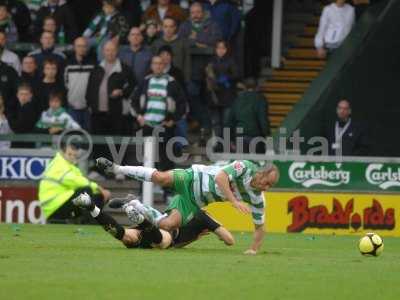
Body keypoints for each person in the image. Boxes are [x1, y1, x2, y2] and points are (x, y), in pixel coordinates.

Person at [97, 158, 280, 254]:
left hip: (195, 201)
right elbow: (220, 177)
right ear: (262, 174)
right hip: (194, 177)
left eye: (270, 186)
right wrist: (234, 202)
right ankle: (117, 168)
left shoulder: (257, 197)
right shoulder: (245, 166)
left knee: (167, 226)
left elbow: (260, 226)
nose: (267, 187)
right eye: (267, 183)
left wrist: (254, 249)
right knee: (162, 178)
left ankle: (133, 202)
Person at [72, 192, 234, 249]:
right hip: (167, 234)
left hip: (156, 227)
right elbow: (230, 240)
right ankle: (141, 217)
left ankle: (91, 206)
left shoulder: (182, 203)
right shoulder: (204, 216)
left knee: (125, 237)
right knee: (163, 242)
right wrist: (216, 230)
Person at [130, 55, 186, 170]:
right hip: (147, 126)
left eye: (160, 63)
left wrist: (173, 120)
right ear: (151, 66)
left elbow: (182, 104)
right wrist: (139, 116)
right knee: (146, 160)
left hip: (164, 126)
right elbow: (133, 101)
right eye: (155, 63)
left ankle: (165, 188)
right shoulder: (145, 81)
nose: (158, 66)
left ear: (164, 65)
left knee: (166, 160)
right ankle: (145, 188)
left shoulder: (172, 82)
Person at [178, 2, 222, 139]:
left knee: (211, 101)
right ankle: (205, 125)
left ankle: (211, 131)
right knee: (193, 98)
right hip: (191, 70)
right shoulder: (184, 26)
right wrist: (201, 43)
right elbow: (182, 43)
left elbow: (215, 43)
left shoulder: (213, 25)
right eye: (192, 13)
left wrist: (195, 42)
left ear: (203, 12)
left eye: (198, 12)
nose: (195, 15)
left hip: (210, 70)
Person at [38, 141, 111, 223]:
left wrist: (101, 192)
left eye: (74, 155)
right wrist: (98, 188)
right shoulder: (59, 164)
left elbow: (80, 181)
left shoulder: (69, 166)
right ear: (62, 153)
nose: (72, 157)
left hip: (60, 203)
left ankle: (93, 221)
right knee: (85, 191)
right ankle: (90, 223)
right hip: (53, 207)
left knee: (98, 195)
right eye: (69, 154)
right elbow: (77, 182)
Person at [86, 40, 135, 136]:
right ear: (103, 51)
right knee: (98, 145)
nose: (110, 53)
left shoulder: (124, 69)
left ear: (117, 51)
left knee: (114, 145)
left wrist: (122, 92)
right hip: (97, 115)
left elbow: (133, 86)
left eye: (112, 50)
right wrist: (90, 105)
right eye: (107, 50)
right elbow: (90, 89)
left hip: (116, 115)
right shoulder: (96, 68)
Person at [226, 79, 270, 154]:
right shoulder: (260, 99)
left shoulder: (238, 99)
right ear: (257, 87)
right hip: (255, 137)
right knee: (256, 164)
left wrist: (230, 139)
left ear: (244, 87)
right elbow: (263, 119)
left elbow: (230, 121)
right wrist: (267, 134)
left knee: (242, 164)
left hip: (239, 137)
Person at [206, 40, 238, 141]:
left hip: (227, 96)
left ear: (227, 49)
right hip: (214, 96)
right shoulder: (211, 61)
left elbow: (236, 74)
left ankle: (227, 142)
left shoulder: (231, 60)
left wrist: (227, 78)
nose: (220, 50)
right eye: (218, 48)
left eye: (223, 48)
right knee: (216, 122)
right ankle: (219, 143)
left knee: (226, 122)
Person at [64, 37, 96, 130]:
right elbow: (64, 84)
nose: (81, 48)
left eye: (84, 46)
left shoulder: (93, 63)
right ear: (74, 47)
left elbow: (95, 85)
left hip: (88, 108)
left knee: (87, 138)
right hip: (72, 107)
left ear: (87, 48)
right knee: (73, 136)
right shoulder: (67, 63)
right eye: (79, 46)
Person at [152, 16, 191, 83]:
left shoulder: (183, 43)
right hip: (160, 80)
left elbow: (187, 64)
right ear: (162, 28)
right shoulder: (156, 43)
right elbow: (153, 63)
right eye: (165, 26)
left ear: (175, 27)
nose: (168, 29)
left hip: (178, 79)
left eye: (171, 26)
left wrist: (186, 81)